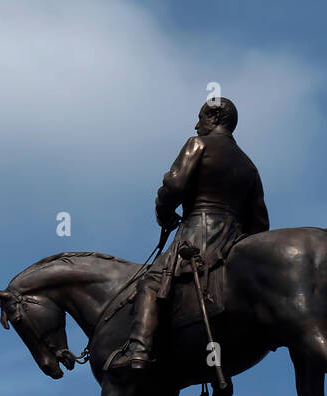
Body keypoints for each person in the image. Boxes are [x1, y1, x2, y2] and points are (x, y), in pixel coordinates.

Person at [112, 97, 269, 373]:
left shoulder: (197, 145)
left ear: (216, 118)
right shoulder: (248, 165)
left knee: (150, 283)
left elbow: (173, 185)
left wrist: (163, 212)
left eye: (201, 118)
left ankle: (138, 349)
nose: (196, 125)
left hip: (198, 233)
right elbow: (260, 222)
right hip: (233, 241)